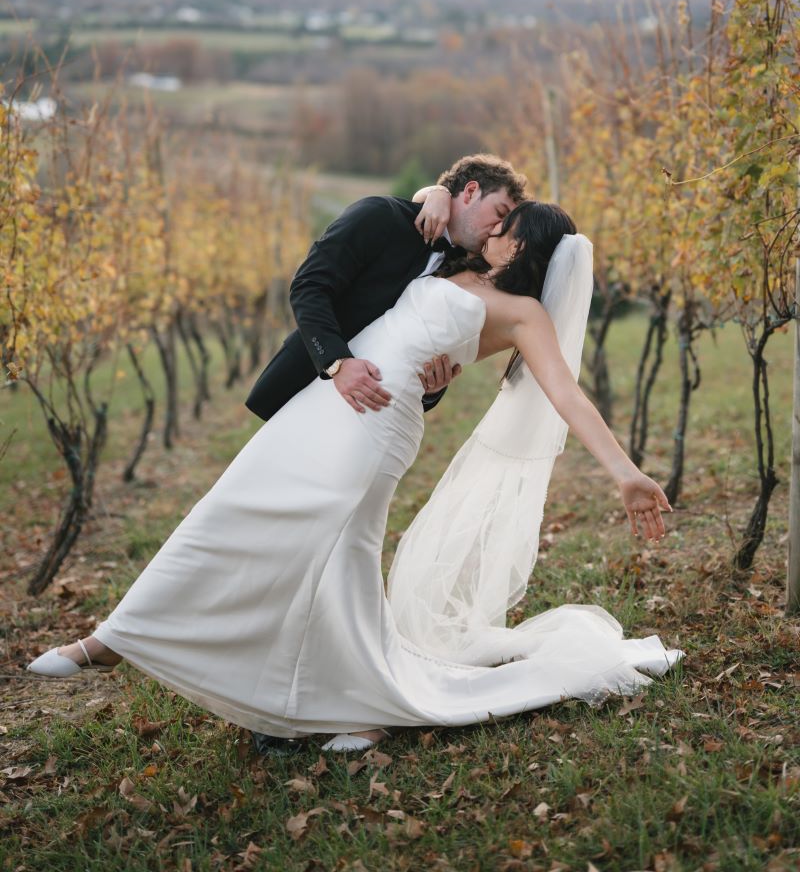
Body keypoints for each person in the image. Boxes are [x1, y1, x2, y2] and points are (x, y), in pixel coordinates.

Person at [28, 199, 682, 753]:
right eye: (497, 216)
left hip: (377, 422)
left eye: (509, 226)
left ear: (524, 247)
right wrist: (435, 189)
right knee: (257, 516)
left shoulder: (522, 314)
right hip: (325, 399)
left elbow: (567, 396)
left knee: (315, 540)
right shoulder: (448, 262)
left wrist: (624, 472)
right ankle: (344, 699)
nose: (494, 229)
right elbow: (413, 231)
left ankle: (114, 641)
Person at [244, 154, 527, 422]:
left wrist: (432, 389)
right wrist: (337, 363)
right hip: (308, 382)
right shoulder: (379, 215)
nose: (498, 229)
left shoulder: (466, 274)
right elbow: (309, 286)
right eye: (499, 213)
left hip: (373, 417)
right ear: (470, 192)